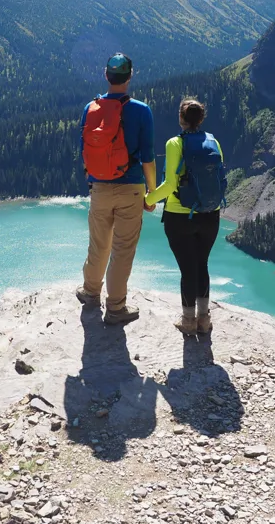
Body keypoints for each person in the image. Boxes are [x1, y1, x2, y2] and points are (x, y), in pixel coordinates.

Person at [78, 53, 157, 325]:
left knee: (98, 243)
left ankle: (90, 293)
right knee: (122, 249)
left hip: (99, 187)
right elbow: (148, 157)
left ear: (105, 75)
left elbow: (85, 153)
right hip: (131, 189)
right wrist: (151, 193)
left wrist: (94, 183)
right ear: (130, 76)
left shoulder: (91, 108)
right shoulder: (141, 110)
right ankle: (115, 308)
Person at [145, 98, 227, 336]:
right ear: (201, 118)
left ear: (181, 118)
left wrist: (148, 200)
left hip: (179, 217)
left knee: (187, 269)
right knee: (202, 264)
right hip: (210, 214)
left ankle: (188, 321)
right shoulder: (214, 142)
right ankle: (204, 320)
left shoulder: (174, 144)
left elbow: (170, 184)